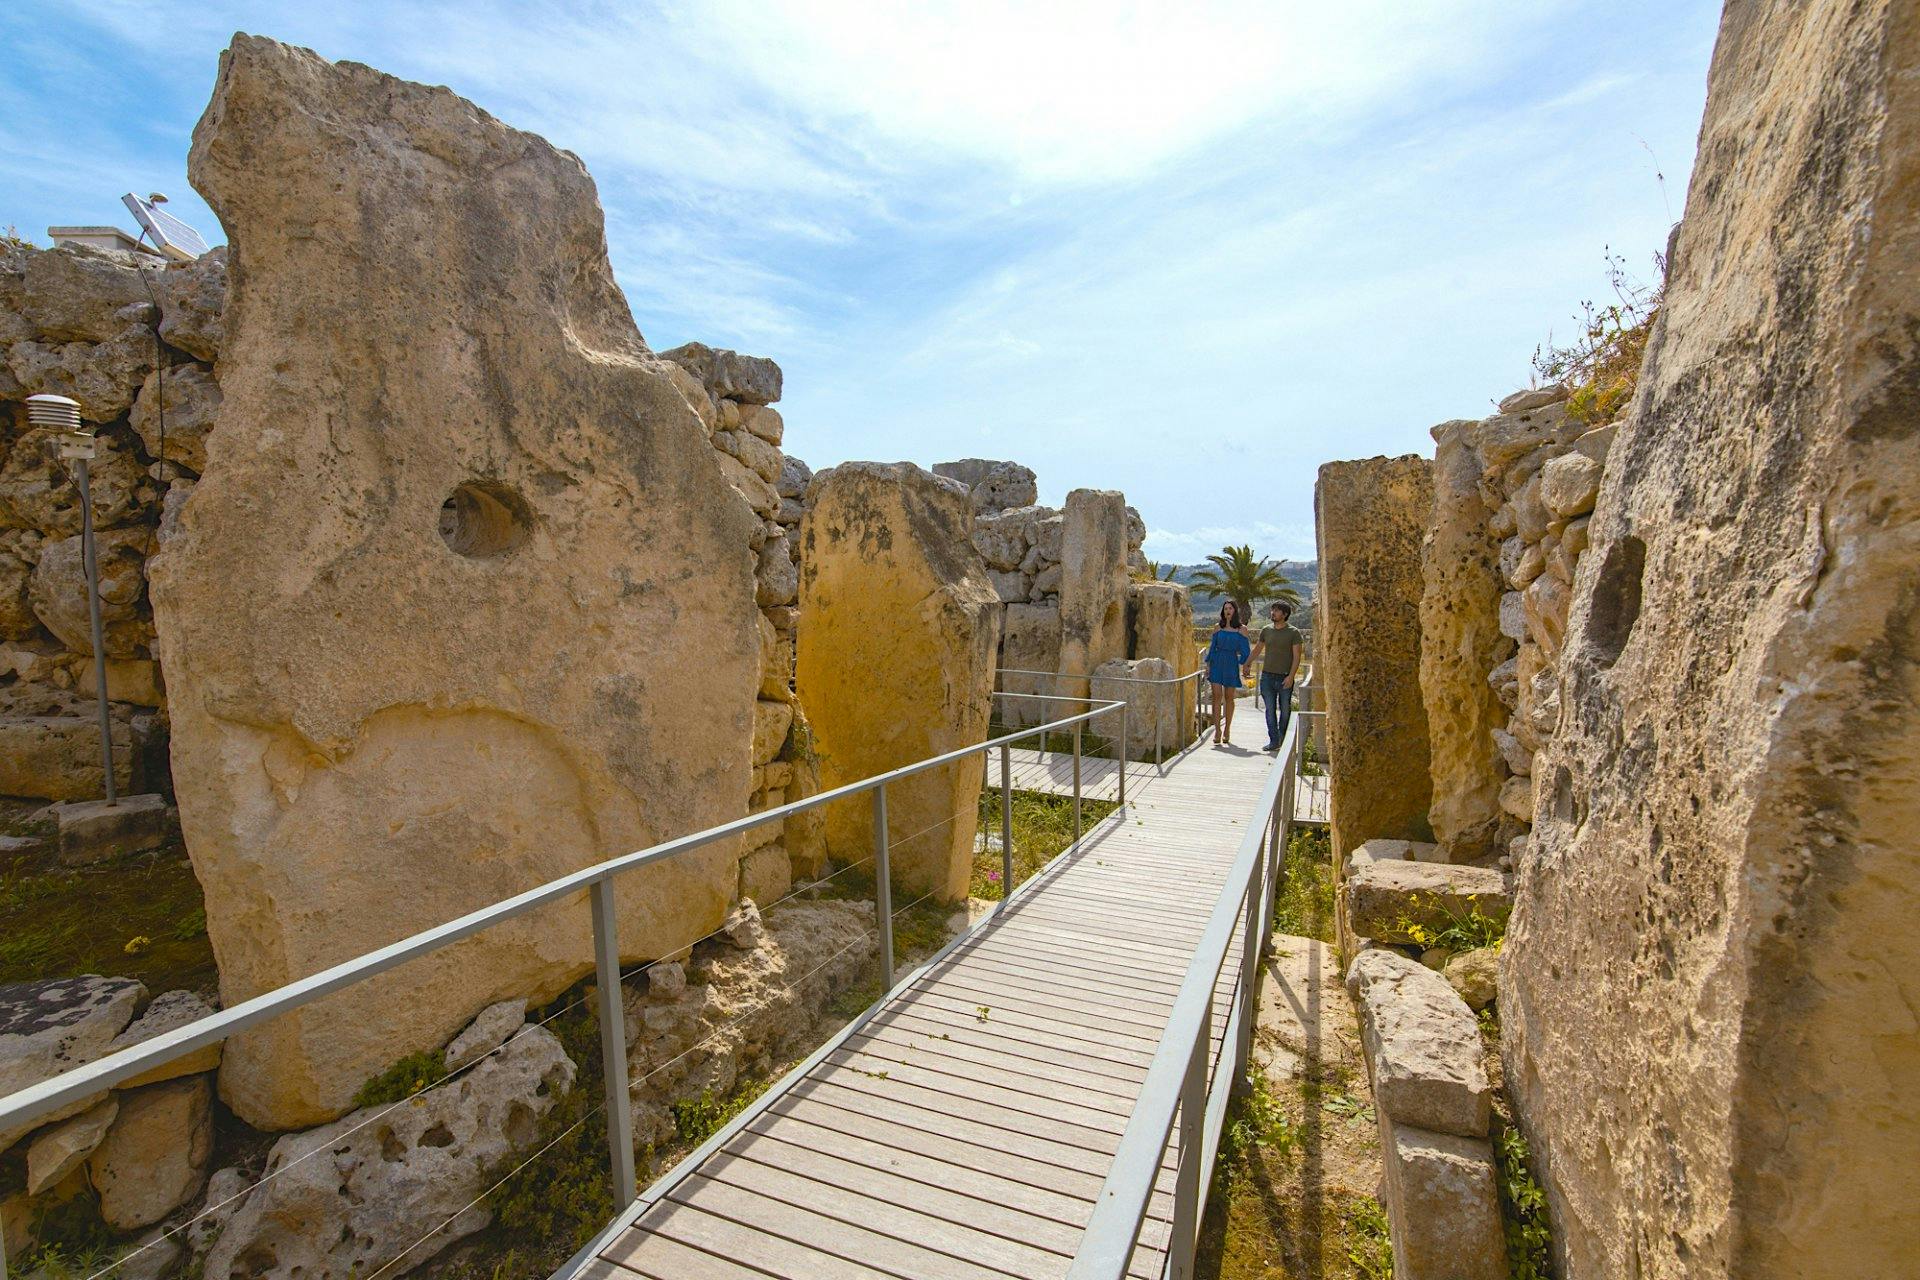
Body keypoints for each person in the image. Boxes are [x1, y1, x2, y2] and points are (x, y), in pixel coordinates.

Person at [1251, 600, 1304, 752]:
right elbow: (1257, 649)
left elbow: (1297, 657)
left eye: (1277, 610)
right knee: (1269, 709)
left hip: (1284, 677)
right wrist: (1247, 663)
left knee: (1285, 709)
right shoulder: (1266, 630)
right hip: (1267, 677)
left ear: (1285, 614)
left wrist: (1291, 676)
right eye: (1272, 610)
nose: (1273, 613)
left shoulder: (1293, 633)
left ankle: (1283, 738)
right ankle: (1274, 741)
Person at [1204, 601, 1252, 746]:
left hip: (1231, 663)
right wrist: (1208, 665)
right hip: (1217, 663)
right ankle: (1217, 730)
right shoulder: (1217, 627)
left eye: (1230, 608)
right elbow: (1212, 648)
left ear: (1235, 611)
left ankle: (1227, 729)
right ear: (1223, 611)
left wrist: (1245, 665)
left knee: (1229, 697)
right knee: (1217, 696)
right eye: (1225, 608)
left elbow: (1245, 650)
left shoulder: (1242, 629)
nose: (1227, 611)